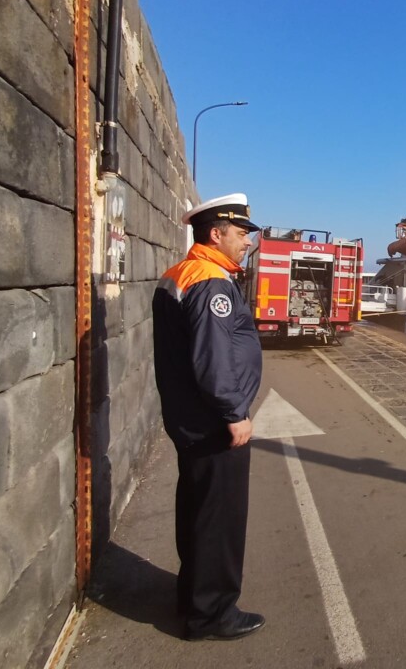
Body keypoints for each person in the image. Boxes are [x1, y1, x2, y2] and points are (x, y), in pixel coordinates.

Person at [152, 193, 265, 641]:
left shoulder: (180, 274)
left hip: (190, 418)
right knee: (220, 519)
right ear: (216, 234)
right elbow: (213, 358)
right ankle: (213, 614)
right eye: (241, 234)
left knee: (198, 512)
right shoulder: (211, 282)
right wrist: (235, 413)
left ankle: (193, 596)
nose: (247, 242)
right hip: (213, 423)